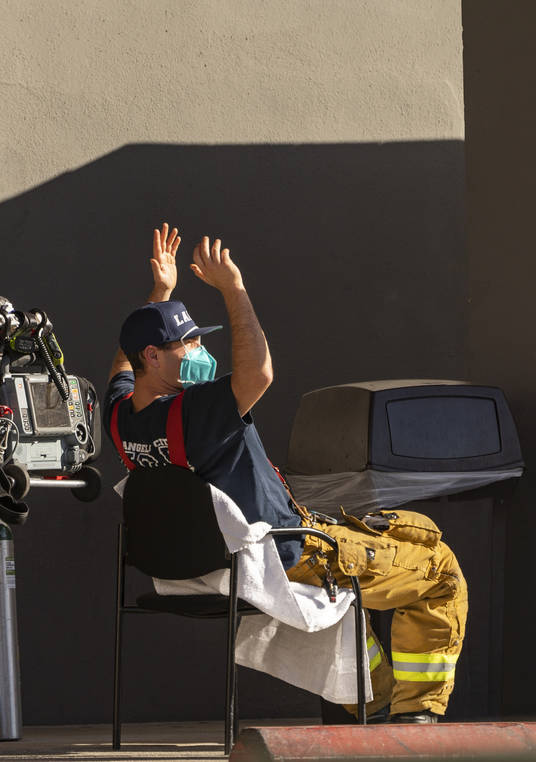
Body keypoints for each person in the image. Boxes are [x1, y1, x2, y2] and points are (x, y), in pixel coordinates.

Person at [105, 224, 467, 724]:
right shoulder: (197, 412)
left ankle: (372, 697)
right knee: (440, 568)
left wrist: (161, 295)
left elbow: (120, 365)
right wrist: (234, 289)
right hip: (290, 553)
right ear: (155, 356)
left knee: (406, 527)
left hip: (200, 566)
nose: (198, 353)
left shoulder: (121, 418)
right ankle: (417, 718)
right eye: (188, 344)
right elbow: (259, 373)